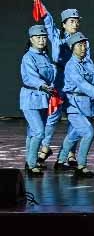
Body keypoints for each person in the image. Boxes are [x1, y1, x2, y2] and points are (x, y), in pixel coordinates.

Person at [28, 0, 85, 166]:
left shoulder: (82, 40)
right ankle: (45, 147)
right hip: (58, 79)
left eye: (77, 21)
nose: (75, 24)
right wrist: (37, 0)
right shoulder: (56, 36)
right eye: (72, 21)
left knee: (75, 116)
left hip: (74, 81)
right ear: (64, 24)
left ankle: (70, 153)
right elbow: (47, 18)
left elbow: (86, 61)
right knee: (53, 115)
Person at [54, 33, 94, 178]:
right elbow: (81, 83)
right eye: (79, 45)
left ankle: (60, 161)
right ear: (72, 47)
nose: (83, 48)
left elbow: (92, 80)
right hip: (74, 104)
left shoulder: (88, 62)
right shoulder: (71, 65)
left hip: (86, 104)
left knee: (74, 134)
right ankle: (81, 166)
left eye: (84, 45)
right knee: (88, 132)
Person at [20, 25, 57, 177]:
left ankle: (29, 161)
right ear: (31, 39)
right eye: (38, 37)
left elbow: (51, 75)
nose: (41, 40)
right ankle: (32, 164)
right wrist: (43, 85)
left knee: (32, 132)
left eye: (44, 37)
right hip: (30, 98)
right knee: (39, 131)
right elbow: (30, 77)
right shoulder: (28, 57)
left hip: (43, 98)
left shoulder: (45, 56)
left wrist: (52, 86)